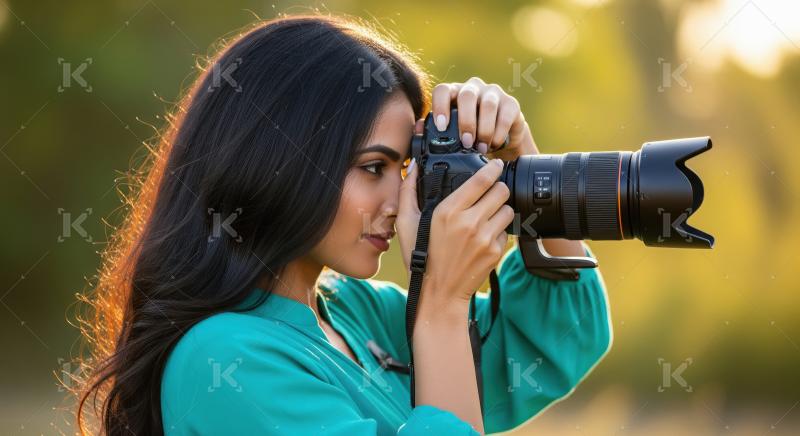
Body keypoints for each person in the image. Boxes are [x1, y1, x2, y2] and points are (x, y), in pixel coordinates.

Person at [75, 14, 612, 435]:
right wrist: (442, 308)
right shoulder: (223, 360)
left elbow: (552, 340)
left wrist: (524, 164)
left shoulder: (355, 310)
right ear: (276, 160)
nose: (401, 199)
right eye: (373, 167)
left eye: (405, 169)